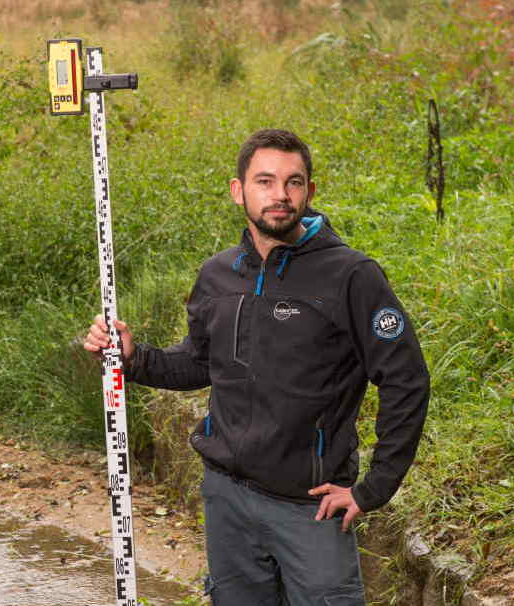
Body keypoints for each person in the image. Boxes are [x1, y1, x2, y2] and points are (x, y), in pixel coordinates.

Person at [83, 129, 430, 606]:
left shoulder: (351, 275)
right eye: (265, 181)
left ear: (309, 191)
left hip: (310, 506)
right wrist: (133, 357)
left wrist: (372, 489)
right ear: (238, 190)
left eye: (294, 182)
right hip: (227, 500)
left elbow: (406, 380)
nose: (280, 195)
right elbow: (199, 364)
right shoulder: (218, 274)